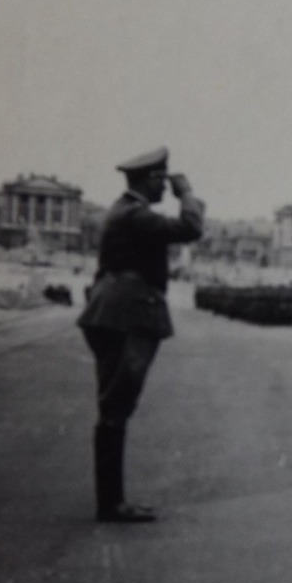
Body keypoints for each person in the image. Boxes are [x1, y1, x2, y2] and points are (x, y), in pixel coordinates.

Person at [77, 147, 205, 523]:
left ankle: (111, 499)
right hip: (126, 316)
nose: (164, 188)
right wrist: (187, 193)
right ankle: (111, 503)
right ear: (149, 179)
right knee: (116, 408)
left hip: (114, 311)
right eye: (161, 181)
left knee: (114, 408)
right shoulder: (135, 214)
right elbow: (190, 228)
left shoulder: (126, 211)